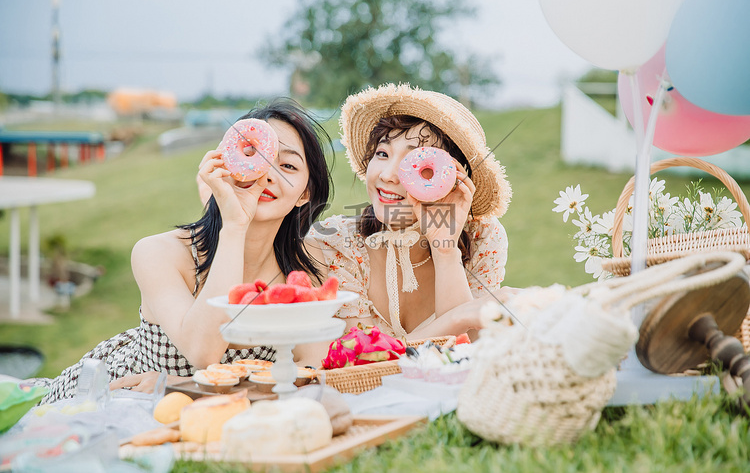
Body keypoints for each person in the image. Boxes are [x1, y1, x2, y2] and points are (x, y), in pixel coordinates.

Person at [28, 99, 333, 402]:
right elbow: (204, 352)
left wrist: (186, 385)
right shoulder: (159, 253)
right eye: (254, 155)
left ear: (304, 193)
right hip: (108, 400)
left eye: (288, 166)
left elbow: (309, 375)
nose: (267, 174)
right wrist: (236, 226)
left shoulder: (305, 268)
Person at [304, 83, 515, 355]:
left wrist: (446, 250)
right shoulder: (332, 243)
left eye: (416, 161)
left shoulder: (482, 238)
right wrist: (455, 320)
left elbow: (478, 352)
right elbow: (364, 360)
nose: (389, 174)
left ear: (453, 177)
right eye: (382, 153)